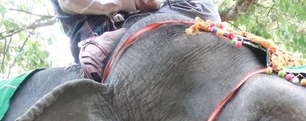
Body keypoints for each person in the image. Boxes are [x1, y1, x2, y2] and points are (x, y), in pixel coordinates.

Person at [51, 0, 221, 80]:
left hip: (149, 16)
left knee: (202, 7)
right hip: (103, 29)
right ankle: (120, 38)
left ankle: (135, 30)